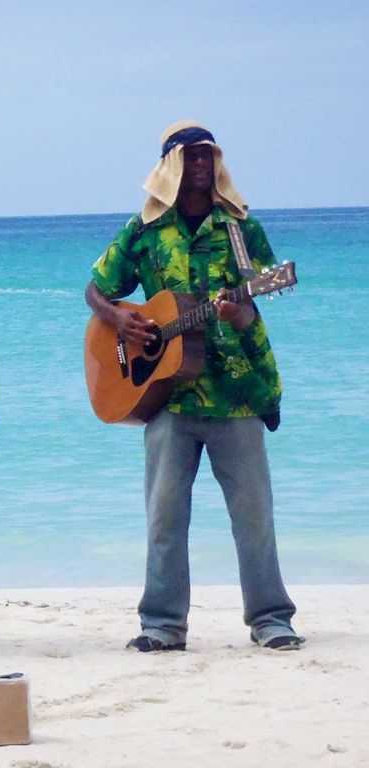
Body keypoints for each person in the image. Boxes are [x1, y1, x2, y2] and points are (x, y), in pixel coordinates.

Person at [85, 121, 301, 652]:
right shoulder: (144, 229)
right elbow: (96, 289)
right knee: (164, 516)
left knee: (253, 515)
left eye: (209, 155)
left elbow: (256, 299)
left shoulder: (240, 228)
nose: (202, 164)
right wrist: (121, 321)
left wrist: (240, 312)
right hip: (165, 394)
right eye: (191, 156)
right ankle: (162, 626)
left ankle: (271, 618)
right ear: (170, 166)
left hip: (235, 392)